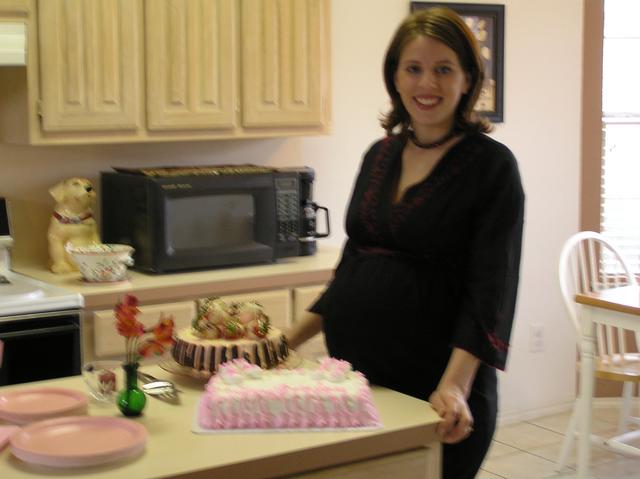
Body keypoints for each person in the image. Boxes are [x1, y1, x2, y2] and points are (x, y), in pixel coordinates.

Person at [286, 7, 524, 479]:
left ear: (467, 78)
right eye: (413, 68)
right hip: (356, 382)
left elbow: (491, 291)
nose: (426, 84)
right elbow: (352, 268)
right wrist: (285, 341)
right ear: (394, 76)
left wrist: (454, 387)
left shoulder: (492, 167)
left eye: (443, 69)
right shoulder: (380, 155)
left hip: (434, 393)